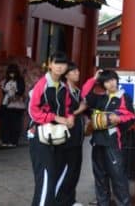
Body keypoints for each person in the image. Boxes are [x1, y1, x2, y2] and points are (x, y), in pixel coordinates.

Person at [82, 69, 135, 206]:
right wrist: (94, 79)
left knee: (118, 178)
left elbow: (132, 117)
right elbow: (84, 96)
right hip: (97, 143)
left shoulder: (124, 98)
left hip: (112, 144)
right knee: (100, 178)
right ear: (103, 84)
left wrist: (118, 118)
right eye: (107, 81)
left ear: (117, 80)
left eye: (113, 80)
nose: (111, 83)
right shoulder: (100, 98)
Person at [28, 52, 74, 206]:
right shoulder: (42, 84)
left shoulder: (63, 86)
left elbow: (67, 107)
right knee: (46, 176)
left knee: (57, 172)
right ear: (50, 64)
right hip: (40, 135)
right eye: (56, 63)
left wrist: (70, 118)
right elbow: (33, 111)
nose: (60, 67)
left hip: (58, 135)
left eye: (63, 64)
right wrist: (54, 117)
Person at [57, 62, 86, 206]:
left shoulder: (78, 90)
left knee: (75, 169)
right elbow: (64, 114)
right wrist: (80, 109)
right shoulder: (63, 91)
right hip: (67, 137)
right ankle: (62, 200)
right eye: (74, 72)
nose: (77, 73)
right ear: (66, 74)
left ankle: (70, 199)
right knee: (67, 169)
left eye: (77, 71)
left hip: (78, 137)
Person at [0, 63, 26, 148]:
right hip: (6, 103)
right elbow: (3, 92)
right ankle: (5, 140)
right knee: (5, 124)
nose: (12, 74)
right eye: (10, 72)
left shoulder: (20, 80)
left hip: (16, 105)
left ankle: (13, 141)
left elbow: (21, 91)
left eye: (13, 72)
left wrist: (15, 92)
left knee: (15, 124)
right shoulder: (6, 80)